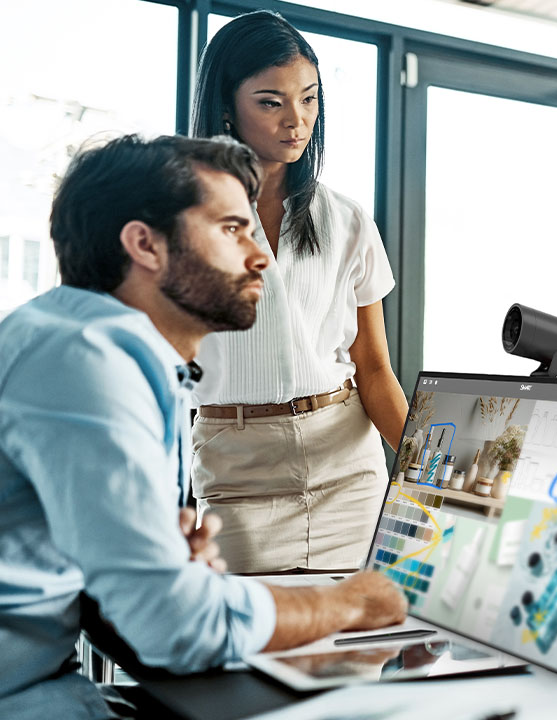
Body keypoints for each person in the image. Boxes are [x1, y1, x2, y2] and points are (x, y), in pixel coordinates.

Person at [0, 134, 407, 719]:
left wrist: (164, 565)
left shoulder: (89, 344)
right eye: (231, 229)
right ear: (145, 245)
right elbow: (174, 628)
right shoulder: (87, 364)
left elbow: (123, 607)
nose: (261, 254)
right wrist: (349, 604)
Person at [188, 10, 408, 573]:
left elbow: (375, 368)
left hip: (347, 464)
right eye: (270, 101)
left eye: (308, 99)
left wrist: (428, 478)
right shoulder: (181, 220)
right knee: (254, 648)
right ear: (225, 108)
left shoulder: (348, 219)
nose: (297, 120)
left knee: (356, 651)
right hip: (236, 468)